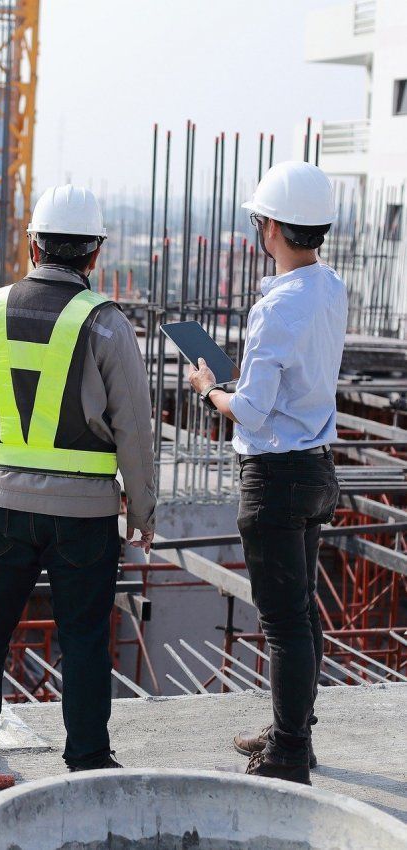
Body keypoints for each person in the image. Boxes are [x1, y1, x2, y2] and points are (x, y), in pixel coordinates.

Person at [0, 184, 156, 773]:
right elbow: (135, 432)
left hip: (4, 505)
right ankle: (88, 757)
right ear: (95, 255)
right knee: (86, 636)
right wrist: (142, 512)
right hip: (86, 514)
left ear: (33, 246)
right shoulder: (106, 324)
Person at [188, 161, 346, 786]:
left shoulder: (276, 307)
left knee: (284, 622)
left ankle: (287, 754)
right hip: (315, 469)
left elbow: (250, 409)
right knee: (302, 613)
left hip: (276, 475)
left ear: (271, 226)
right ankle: (291, 736)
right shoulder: (330, 287)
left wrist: (208, 388)